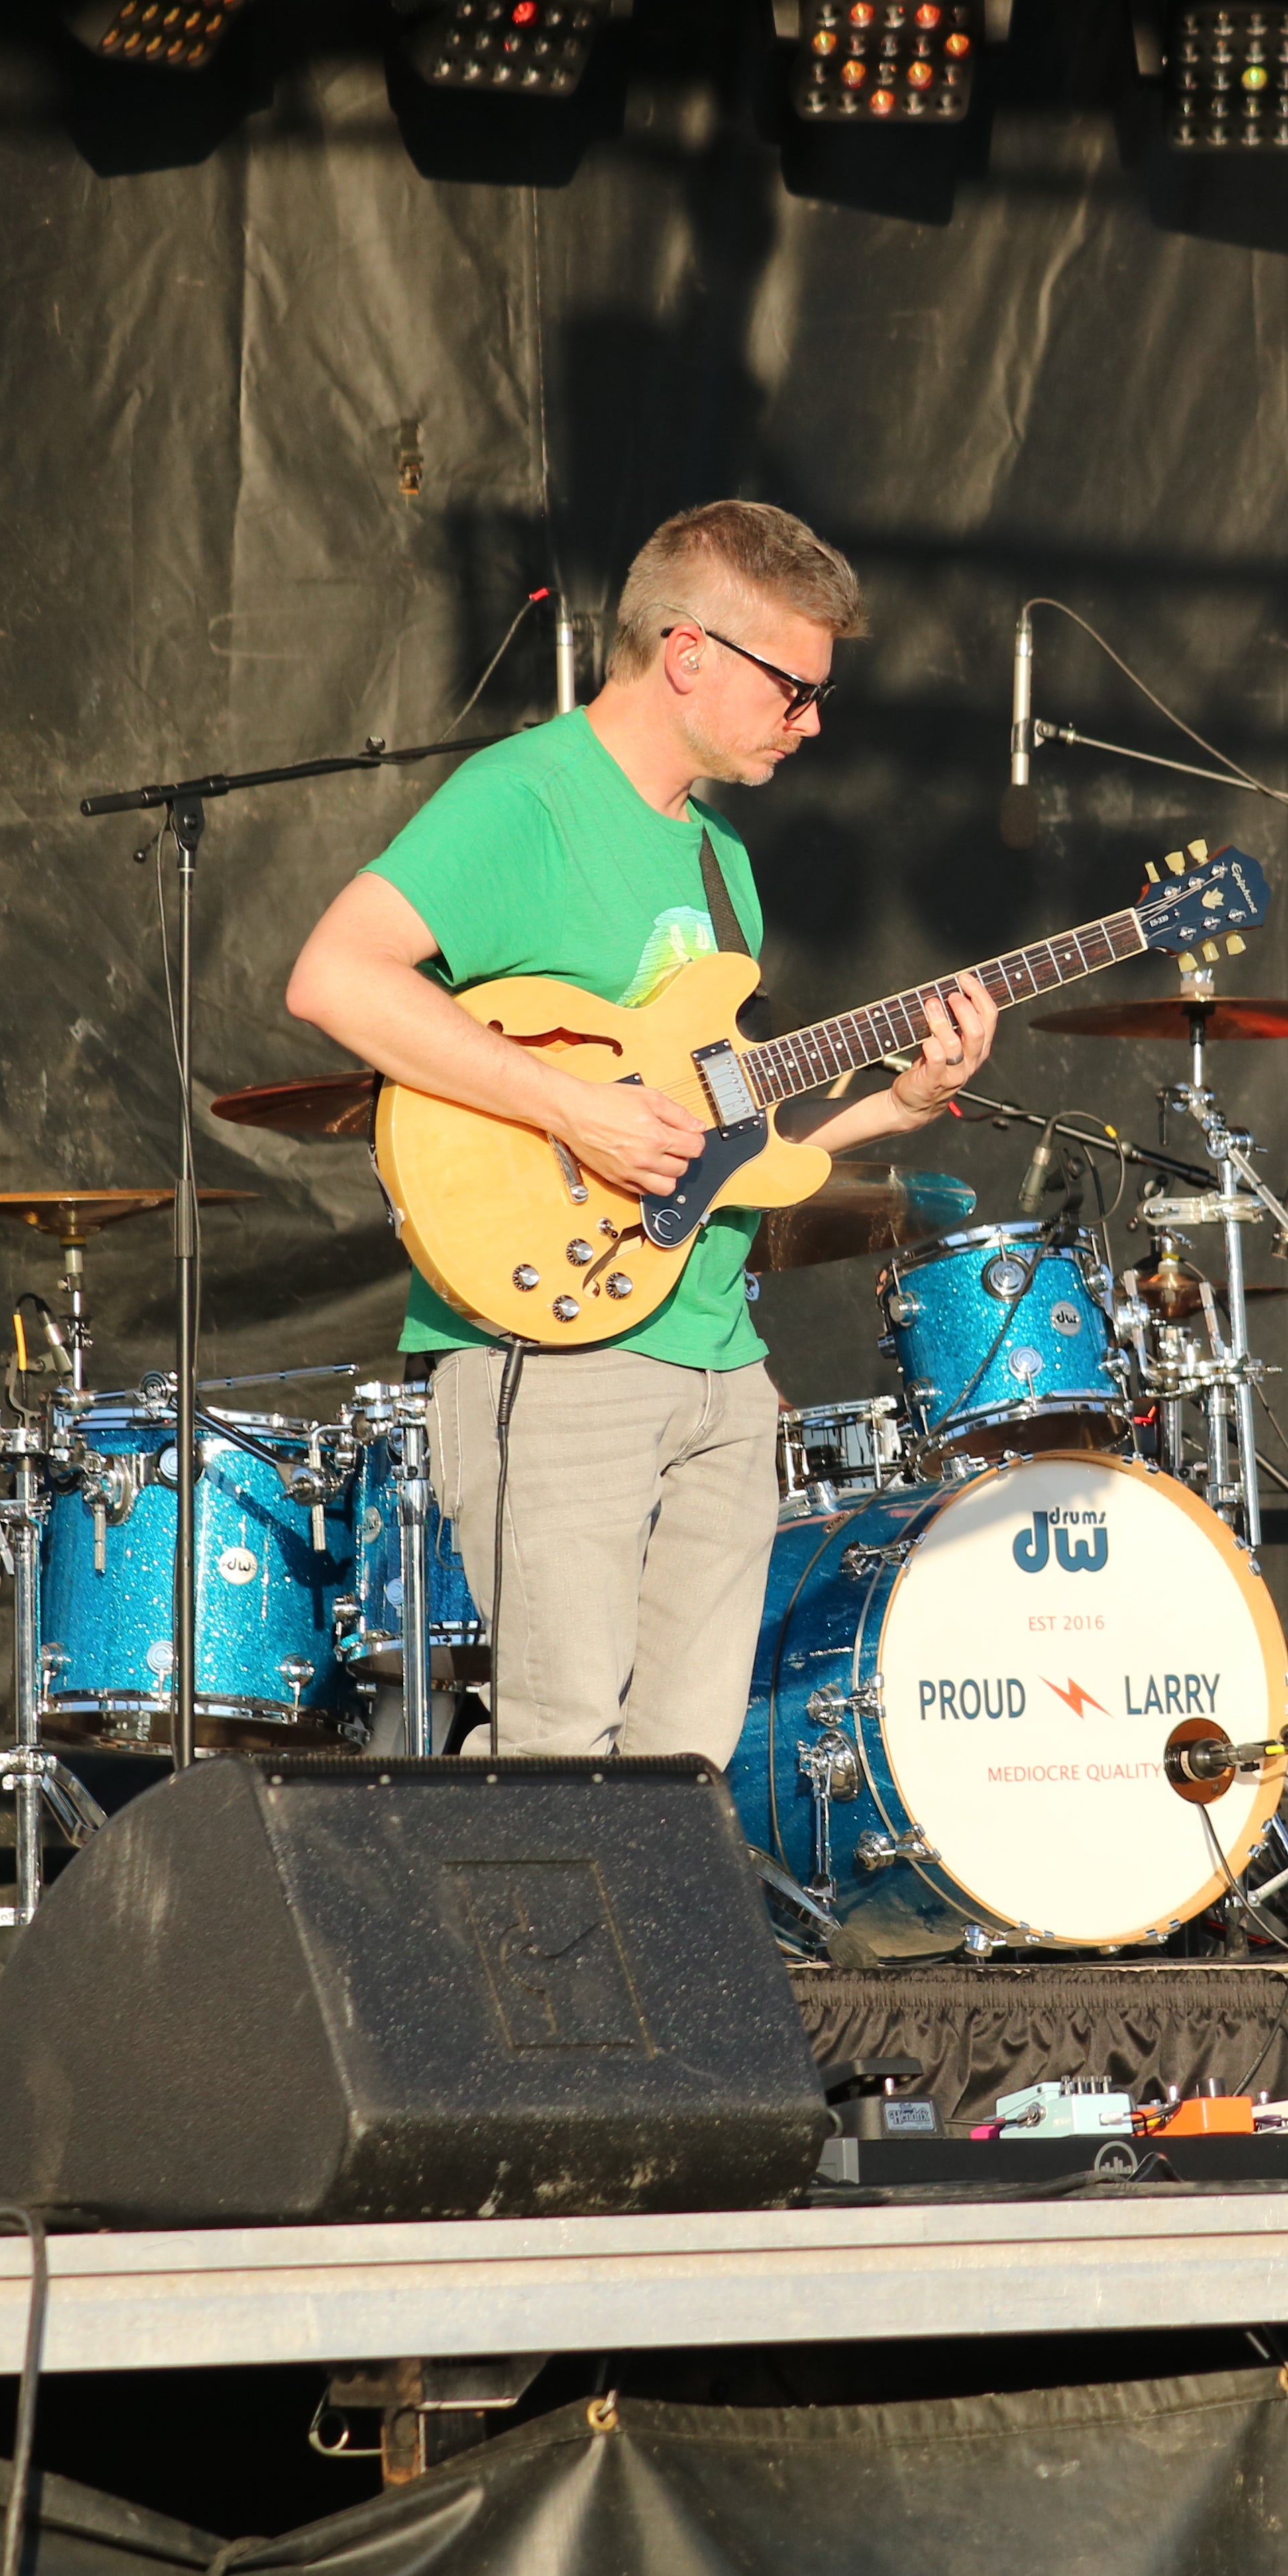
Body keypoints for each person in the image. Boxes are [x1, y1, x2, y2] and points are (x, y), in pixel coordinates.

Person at [284, 500, 996, 1760]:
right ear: (688, 653)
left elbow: (730, 1140)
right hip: (555, 1353)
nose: (812, 722)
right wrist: (574, 1111)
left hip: (719, 1362)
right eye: (794, 690)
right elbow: (336, 977)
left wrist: (900, 1103)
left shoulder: (723, 857)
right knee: (559, 1755)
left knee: (683, 1777)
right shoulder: (527, 798)